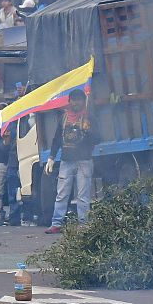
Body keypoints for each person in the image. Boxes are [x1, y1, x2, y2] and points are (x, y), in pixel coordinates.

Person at [45, 89, 98, 234]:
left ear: (83, 101)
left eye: (79, 99)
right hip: (66, 161)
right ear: (69, 101)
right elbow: (56, 139)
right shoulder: (63, 118)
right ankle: (56, 223)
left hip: (84, 161)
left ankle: (83, 224)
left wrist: (88, 131)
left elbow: (98, 139)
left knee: (83, 195)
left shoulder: (89, 118)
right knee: (61, 194)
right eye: (73, 99)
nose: (76, 102)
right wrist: (51, 157)